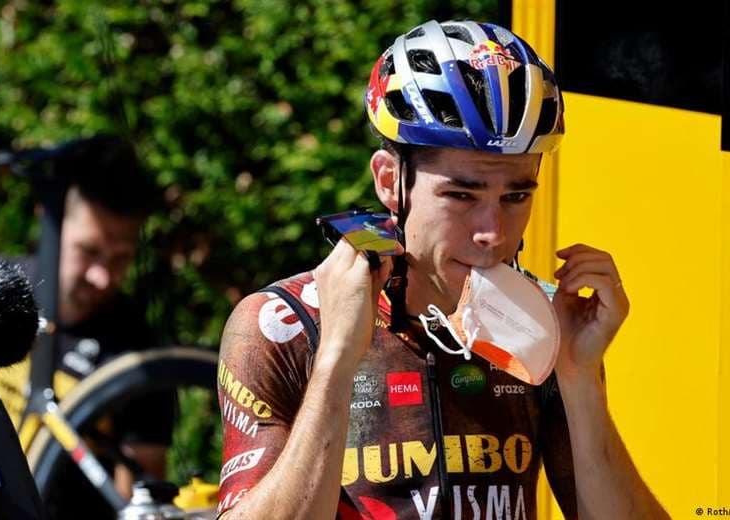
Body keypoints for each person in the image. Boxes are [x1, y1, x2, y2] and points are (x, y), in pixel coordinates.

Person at [216, 20, 669, 519]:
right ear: (390, 181)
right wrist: (336, 361)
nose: (492, 233)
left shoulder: (544, 328)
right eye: (461, 195)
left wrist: (579, 379)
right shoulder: (282, 326)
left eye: (516, 197)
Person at [0, 135, 173, 518]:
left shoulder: (137, 349)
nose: (102, 276)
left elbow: (141, 498)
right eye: (89, 251)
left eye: (120, 259)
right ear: (47, 220)